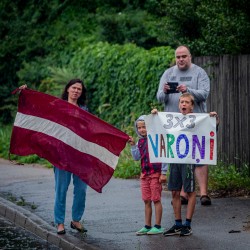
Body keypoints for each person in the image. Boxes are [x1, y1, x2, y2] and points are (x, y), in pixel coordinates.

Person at [19, 79, 88, 235]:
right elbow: (40, 110)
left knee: (82, 190)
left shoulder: (84, 110)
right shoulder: (58, 106)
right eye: (74, 88)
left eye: (79, 89)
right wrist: (27, 93)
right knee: (61, 189)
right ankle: (60, 223)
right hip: (61, 156)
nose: (76, 91)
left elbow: (91, 130)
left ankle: (76, 220)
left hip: (80, 156)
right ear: (68, 89)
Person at [152, 93, 219, 236]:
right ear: (178, 105)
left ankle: (187, 225)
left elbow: (209, 133)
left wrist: (214, 122)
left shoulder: (197, 120)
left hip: (188, 160)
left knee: (189, 192)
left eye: (187, 102)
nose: (183, 104)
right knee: (175, 191)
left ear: (192, 106)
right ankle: (177, 224)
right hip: (175, 160)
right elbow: (160, 130)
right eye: (181, 102)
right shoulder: (173, 120)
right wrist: (155, 116)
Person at [156, 45, 212, 206]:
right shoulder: (168, 73)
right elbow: (159, 97)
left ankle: (203, 193)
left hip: (196, 120)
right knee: (179, 155)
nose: (180, 59)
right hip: (174, 122)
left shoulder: (199, 72)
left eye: (183, 56)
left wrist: (188, 90)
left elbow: (204, 94)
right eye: (178, 57)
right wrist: (165, 91)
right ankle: (183, 193)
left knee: (199, 155)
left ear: (190, 57)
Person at [128, 115, 168, 235]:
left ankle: (158, 226)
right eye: (139, 128)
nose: (141, 130)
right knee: (146, 200)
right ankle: (147, 225)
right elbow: (136, 157)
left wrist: (164, 173)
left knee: (156, 199)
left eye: (144, 127)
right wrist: (133, 145)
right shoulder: (140, 141)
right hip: (144, 175)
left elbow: (164, 155)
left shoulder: (156, 139)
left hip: (156, 174)